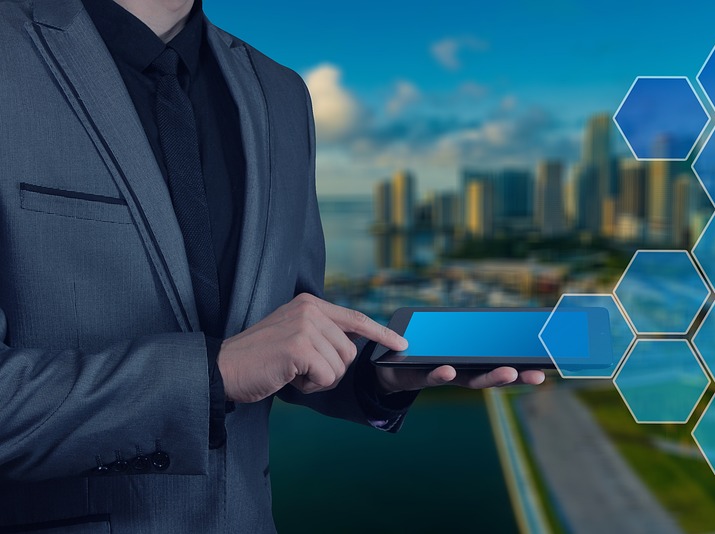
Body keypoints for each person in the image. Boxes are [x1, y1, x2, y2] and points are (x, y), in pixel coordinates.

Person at [0, 0, 544, 530]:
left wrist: (378, 374)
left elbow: (286, 325)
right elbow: (237, 364)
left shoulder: (280, 91)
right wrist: (214, 375)